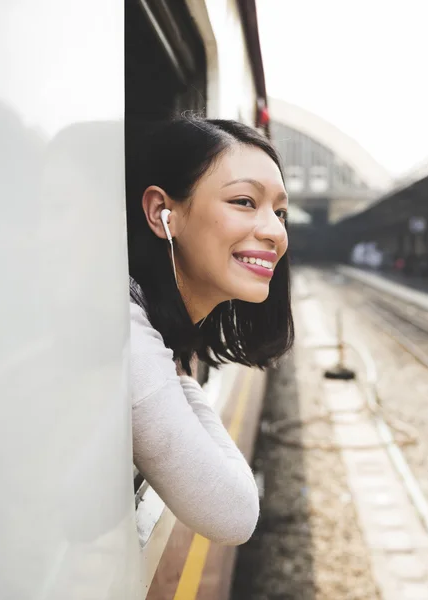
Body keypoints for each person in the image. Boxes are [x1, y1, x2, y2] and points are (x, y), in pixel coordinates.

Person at [125, 115, 294, 545]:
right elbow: (234, 515)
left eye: (279, 211)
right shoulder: (124, 336)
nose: (275, 231)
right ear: (162, 212)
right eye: (243, 201)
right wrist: (180, 374)